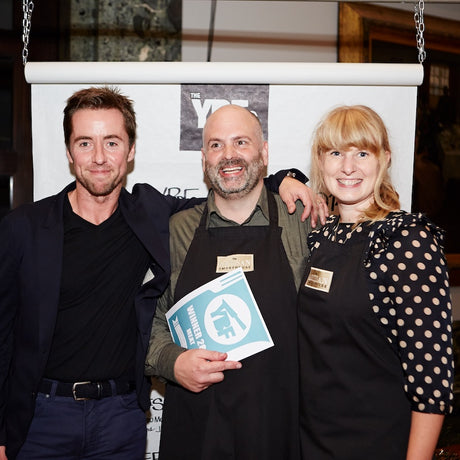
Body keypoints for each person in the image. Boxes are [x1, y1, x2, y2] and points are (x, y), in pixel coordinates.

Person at [0, 86, 324, 460]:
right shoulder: (23, 228)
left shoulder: (152, 215)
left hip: (119, 419)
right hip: (43, 418)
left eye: (112, 142)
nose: (100, 157)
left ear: (131, 150)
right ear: (70, 152)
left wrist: (280, 178)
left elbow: (231, 187)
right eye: (85, 143)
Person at [145, 104, 313, 460]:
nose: (229, 155)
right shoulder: (176, 230)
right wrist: (171, 362)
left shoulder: (303, 221)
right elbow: (148, 320)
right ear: (204, 157)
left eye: (241, 142)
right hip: (198, 428)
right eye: (217, 145)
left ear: (264, 153)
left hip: (283, 429)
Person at [297, 105, 454, 460]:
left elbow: (431, 376)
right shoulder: (321, 236)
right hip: (310, 439)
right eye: (335, 153)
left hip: (376, 441)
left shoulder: (406, 240)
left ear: (384, 158)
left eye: (362, 153)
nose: (348, 167)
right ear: (321, 162)